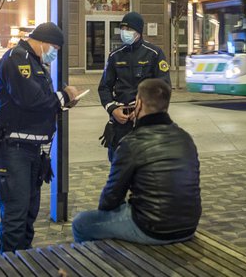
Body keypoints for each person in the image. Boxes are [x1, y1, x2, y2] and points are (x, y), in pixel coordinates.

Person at [72, 78, 201, 244]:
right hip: (188, 226)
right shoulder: (185, 137)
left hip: (152, 228)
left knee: (81, 223)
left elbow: (111, 197)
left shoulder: (132, 142)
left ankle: (99, 264)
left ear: (138, 104)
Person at [0, 21, 80, 253]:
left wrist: (62, 102)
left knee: (28, 215)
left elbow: (42, 104)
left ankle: (24, 263)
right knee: (16, 217)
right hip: (13, 150)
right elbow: (31, 100)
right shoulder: (17, 59)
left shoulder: (35, 63)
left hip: (31, 151)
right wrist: (63, 96)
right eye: (55, 50)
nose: (54, 55)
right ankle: (8, 267)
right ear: (44, 43)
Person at [98, 11, 171, 161]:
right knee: (118, 167)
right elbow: (104, 87)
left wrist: (142, 109)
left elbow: (164, 88)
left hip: (145, 122)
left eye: (129, 29)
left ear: (138, 32)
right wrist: (113, 110)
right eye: (123, 29)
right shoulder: (115, 55)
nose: (125, 33)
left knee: (145, 167)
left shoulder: (154, 54)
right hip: (120, 121)